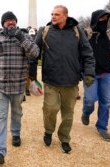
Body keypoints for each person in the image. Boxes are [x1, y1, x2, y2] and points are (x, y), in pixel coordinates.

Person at [29, 5, 95, 153]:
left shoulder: (77, 31)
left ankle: (64, 139)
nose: (53, 16)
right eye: (52, 14)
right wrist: (31, 76)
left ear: (65, 16)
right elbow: (34, 54)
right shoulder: (44, 31)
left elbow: (87, 53)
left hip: (71, 81)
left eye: (57, 14)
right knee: (50, 109)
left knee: (68, 114)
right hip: (51, 80)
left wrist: (89, 73)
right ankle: (48, 131)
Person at [0, 11, 39, 164]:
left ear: (16, 22)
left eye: (13, 20)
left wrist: (20, 37)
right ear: (3, 23)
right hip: (0, 85)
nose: (11, 23)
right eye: (8, 21)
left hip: (18, 86)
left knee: (17, 113)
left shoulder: (25, 37)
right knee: (0, 118)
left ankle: (16, 133)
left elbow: (35, 54)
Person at [81, 10, 110, 142]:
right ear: (95, 19)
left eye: (106, 18)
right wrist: (79, 72)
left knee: (106, 102)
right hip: (90, 73)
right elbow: (79, 54)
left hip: (106, 73)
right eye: (102, 18)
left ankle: (102, 127)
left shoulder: (109, 35)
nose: (104, 20)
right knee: (90, 100)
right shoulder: (86, 34)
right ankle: (86, 112)